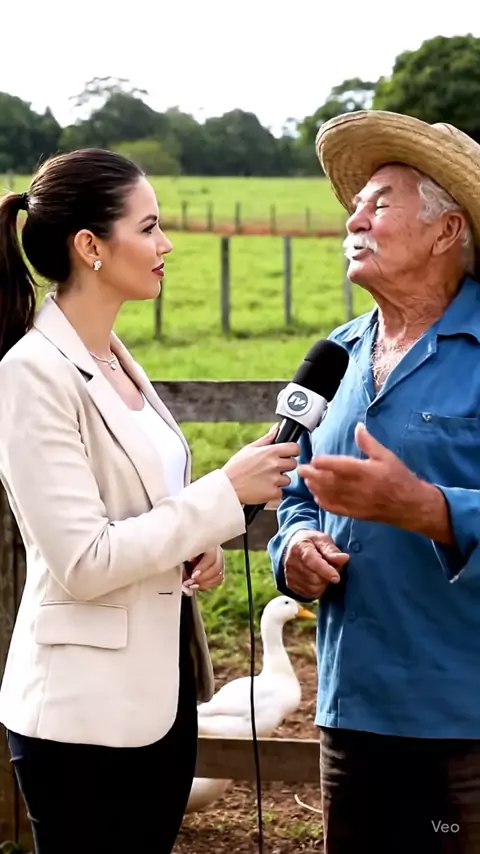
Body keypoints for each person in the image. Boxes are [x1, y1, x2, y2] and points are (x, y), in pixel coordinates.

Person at [0, 148, 300, 854]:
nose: (166, 245)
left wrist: (199, 544)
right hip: (81, 721)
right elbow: (83, 561)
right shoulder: (31, 373)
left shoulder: (113, 357)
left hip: (160, 704)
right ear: (91, 247)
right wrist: (224, 493)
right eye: (148, 227)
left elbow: (142, 513)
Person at [268, 110, 480, 854]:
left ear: (446, 231)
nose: (353, 220)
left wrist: (428, 509)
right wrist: (295, 548)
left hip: (463, 725)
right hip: (350, 711)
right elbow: (295, 491)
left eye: (379, 204)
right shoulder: (338, 356)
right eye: (354, 205)